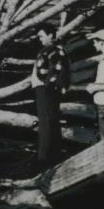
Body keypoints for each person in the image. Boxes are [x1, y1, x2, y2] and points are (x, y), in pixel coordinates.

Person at [31, 26, 70, 168]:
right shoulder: (50, 50)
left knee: (46, 122)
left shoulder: (54, 51)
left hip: (46, 89)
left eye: (42, 36)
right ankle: (52, 155)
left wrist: (47, 84)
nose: (40, 39)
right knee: (49, 120)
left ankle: (44, 158)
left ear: (50, 35)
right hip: (44, 88)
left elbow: (56, 71)